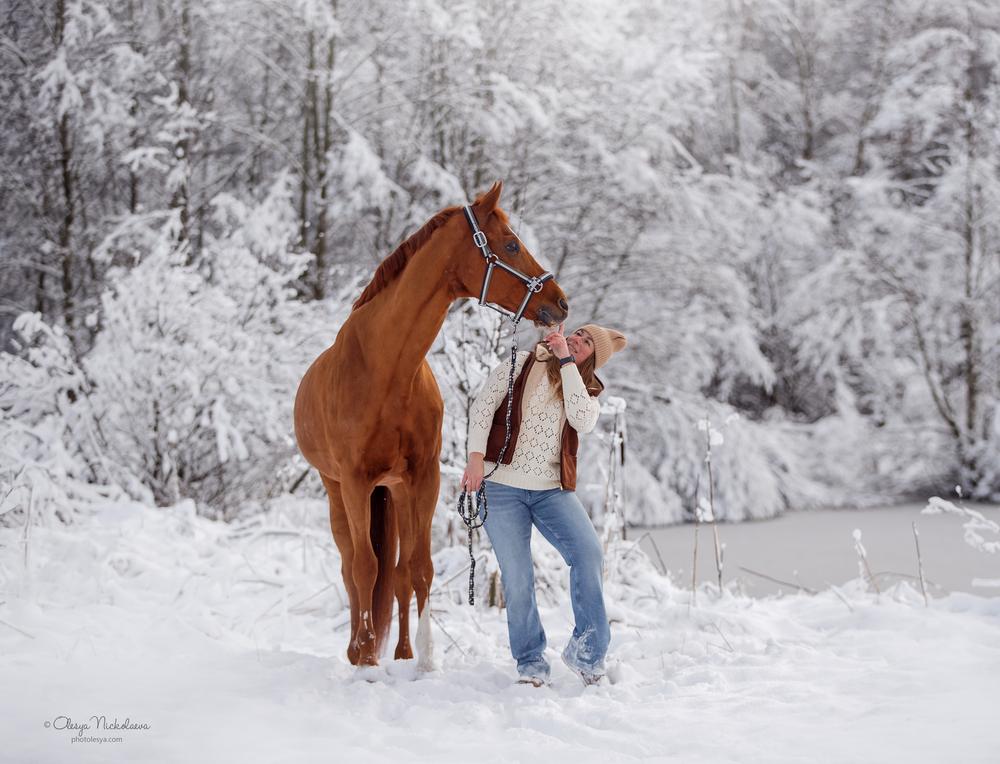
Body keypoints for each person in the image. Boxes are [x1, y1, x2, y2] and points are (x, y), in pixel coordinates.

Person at [461, 323, 627, 687]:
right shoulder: (520, 363)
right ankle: (531, 663)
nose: (576, 341)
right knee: (518, 578)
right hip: (502, 487)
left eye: (585, 345)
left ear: (588, 361)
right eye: (577, 334)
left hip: (552, 491)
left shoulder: (586, 391)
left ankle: (586, 653)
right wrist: (475, 458)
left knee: (588, 554)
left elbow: (582, 421)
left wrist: (566, 362)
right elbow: (483, 408)